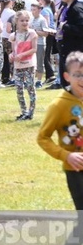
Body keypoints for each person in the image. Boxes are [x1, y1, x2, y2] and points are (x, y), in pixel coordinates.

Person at [37, 52, 83, 210]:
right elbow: (43, 137)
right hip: (76, 171)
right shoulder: (59, 106)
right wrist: (66, 155)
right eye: (77, 75)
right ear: (66, 76)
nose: (82, 79)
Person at [9, 10, 38, 120]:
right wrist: (12, 56)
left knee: (30, 87)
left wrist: (22, 55)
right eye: (22, 20)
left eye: (27, 20)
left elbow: (34, 49)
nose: (25, 23)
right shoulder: (14, 35)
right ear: (16, 21)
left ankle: (31, 112)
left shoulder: (32, 34)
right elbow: (13, 50)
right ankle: (23, 111)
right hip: (18, 65)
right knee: (19, 89)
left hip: (29, 64)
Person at [55, 0, 83, 91]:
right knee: (67, 85)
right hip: (65, 53)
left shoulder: (77, 9)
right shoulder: (65, 7)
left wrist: (66, 27)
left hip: (75, 55)